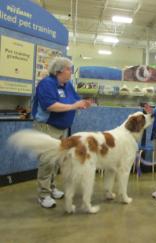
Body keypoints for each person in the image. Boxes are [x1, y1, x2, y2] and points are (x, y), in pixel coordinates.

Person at [32, 57, 92, 208]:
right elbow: (50, 105)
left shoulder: (67, 85)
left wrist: (83, 103)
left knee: (57, 160)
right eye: (69, 69)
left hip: (62, 129)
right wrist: (73, 106)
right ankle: (43, 194)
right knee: (47, 161)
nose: (71, 72)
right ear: (60, 70)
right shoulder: (47, 83)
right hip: (47, 127)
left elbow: (75, 99)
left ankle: (51, 188)